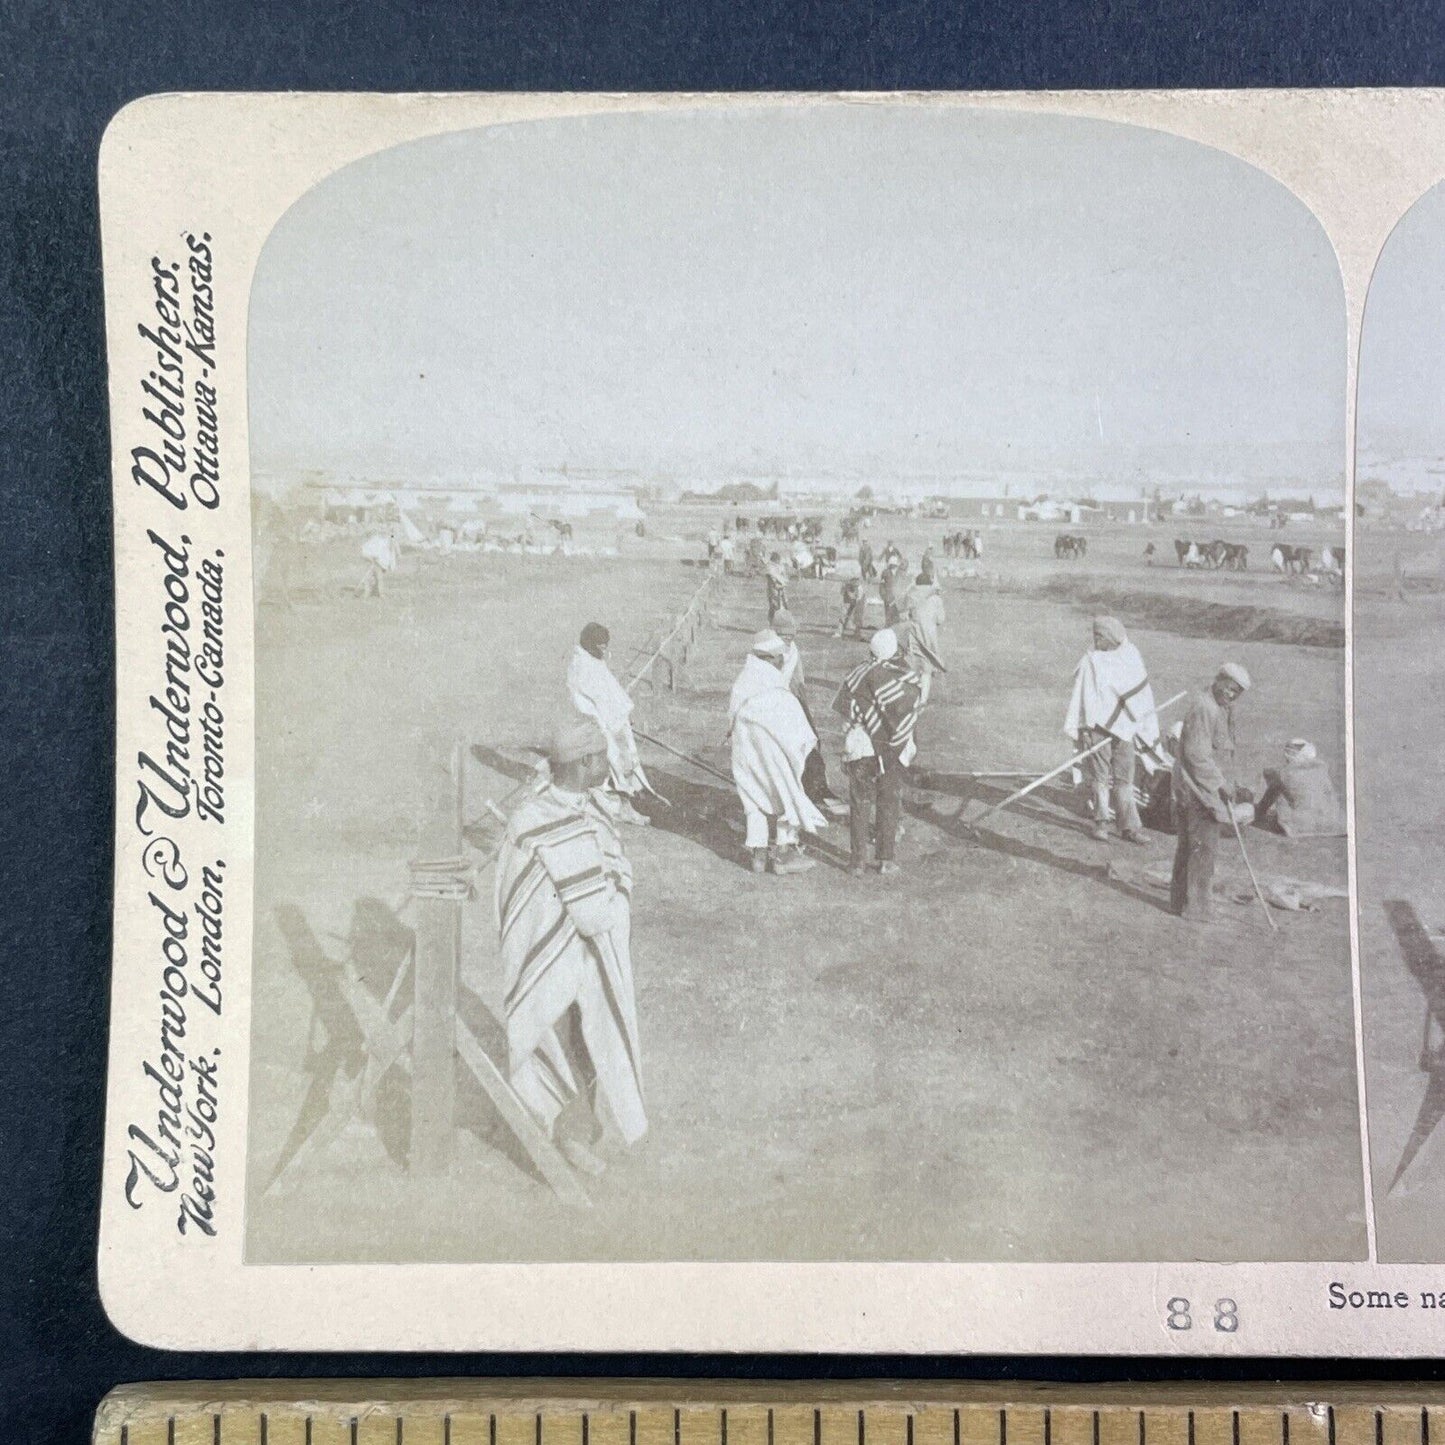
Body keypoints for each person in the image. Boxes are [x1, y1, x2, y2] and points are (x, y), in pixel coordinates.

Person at [495, 714, 647, 1169]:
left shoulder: (581, 804)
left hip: (578, 952)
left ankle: (577, 1133)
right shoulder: (541, 818)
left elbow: (605, 866)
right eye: (602, 755)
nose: (609, 762)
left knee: (587, 1039)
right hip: (552, 956)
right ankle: (565, 1138)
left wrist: (615, 878)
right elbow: (592, 912)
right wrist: (619, 890)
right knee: (562, 1038)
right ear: (585, 762)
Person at [729, 629, 828, 874]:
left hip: (745, 748)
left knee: (754, 798)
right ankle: (783, 854)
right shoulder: (774, 683)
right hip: (772, 751)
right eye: (779, 656)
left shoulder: (743, 679)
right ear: (770, 657)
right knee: (787, 793)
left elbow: (731, 716)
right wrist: (807, 742)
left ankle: (759, 855)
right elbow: (792, 720)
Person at [833, 627, 925, 877]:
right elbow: (909, 712)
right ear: (895, 652)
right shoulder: (904, 677)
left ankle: (857, 863)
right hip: (892, 749)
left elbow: (845, 712)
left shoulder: (858, 674)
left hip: (861, 746)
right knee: (888, 801)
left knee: (859, 802)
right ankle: (886, 860)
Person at [1063, 616, 1158, 844]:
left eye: (1101, 636)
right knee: (1100, 778)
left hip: (1124, 729)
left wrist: (1135, 721)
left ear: (1113, 637)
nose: (1096, 641)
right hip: (1097, 729)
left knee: (1125, 779)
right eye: (1094, 636)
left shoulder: (1130, 655)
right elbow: (1083, 698)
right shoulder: (1091, 661)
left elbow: (1140, 694)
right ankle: (1101, 823)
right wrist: (1084, 728)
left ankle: (1130, 828)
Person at [1170, 663, 1251, 920]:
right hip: (1198, 791)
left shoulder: (1219, 708)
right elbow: (1196, 755)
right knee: (1202, 850)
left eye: (1237, 692)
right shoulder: (1204, 707)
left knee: (1192, 848)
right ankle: (1197, 909)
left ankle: (1181, 903)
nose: (1231, 695)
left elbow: (1222, 747)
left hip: (1202, 788)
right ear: (1219, 680)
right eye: (1229, 688)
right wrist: (1220, 784)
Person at [566, 622, 651, 826]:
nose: (604, 650)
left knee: (621, 766)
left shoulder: (593, 661)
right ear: (590, 644)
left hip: (611, 722)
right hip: (601, 727)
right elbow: (599, 701)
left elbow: (610, 692)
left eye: (606, 645)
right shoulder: (583, 667)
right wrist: (618, 721)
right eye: (601, 646)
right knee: (617, 766)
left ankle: (616, 807)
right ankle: (622, 811)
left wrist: (624, 714)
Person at [773, 609, 845, 816]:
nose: (788, 640)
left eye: (791, 636)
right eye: (784, 636)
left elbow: (799, 682)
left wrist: (803, 710)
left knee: (811, 742)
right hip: (774, 708)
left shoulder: (793, 651)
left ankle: (816, 789)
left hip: (793, 703)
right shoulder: (767, 653)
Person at [1256, 738, 1346, 837]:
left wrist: (1259, 811)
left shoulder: (1284, 773)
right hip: (1331, 824)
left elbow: (1269, 802)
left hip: (1299, 826)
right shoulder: (1322, 771)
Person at [904, 571, 946, 704]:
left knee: (912, 665)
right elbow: (940, 619)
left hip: (914, 634)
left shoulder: (911, 595)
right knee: (927, 669)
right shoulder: (936, 599)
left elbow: (904, 613)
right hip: (929, 637)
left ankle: (909, 695)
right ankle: (923, 700)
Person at [837, 574, 866, 638]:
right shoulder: (846, 585)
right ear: (851, 581)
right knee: (843, 615)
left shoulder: (860, 588)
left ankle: (857, 633)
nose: (855, 583)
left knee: (858, 617)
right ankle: (839, 632)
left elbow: (859, 599)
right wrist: (845, 589)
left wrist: (853, 598)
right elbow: (841, 593)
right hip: (847, 600)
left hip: (857, 601)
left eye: (856, 582)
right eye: (853, 582)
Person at [765, 552, 789, 623]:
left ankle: (781, 622)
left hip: (781, 588)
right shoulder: (769, 566)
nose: (779, 561)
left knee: (784, 604)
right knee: (774, 605)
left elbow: (784, 576)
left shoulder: (779, 566)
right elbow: (770, 577)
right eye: (777, 560)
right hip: (773, 589)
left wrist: (783, 582)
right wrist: (775, 584)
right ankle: (772, 622)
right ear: (774, 559)